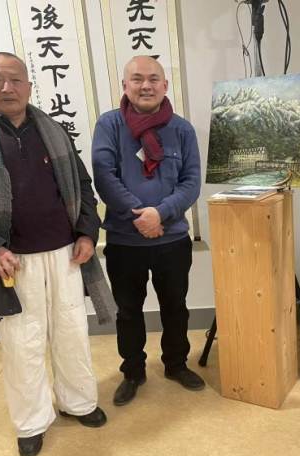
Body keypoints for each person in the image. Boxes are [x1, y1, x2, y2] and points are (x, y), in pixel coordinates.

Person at [0, 52, 115, 456]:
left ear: (29, 86)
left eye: (15, 80)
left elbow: (82, 186)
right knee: (22, 344)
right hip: (10, 261)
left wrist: (87, 232)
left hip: (66, 255)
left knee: (71, 333)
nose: (7, 88)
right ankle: (32, 422)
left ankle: (79, 402)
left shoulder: (52, 130)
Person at [92, 55, 204, 407]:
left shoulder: (182, 130)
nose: (146, 85)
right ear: (124, 85)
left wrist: (160, 213)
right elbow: (104, 176)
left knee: (176, 306)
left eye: (153, 79)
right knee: (128, 311)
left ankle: (176, 364)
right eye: (137, 79)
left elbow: (191, 182)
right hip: (125, 240)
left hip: (173, 239)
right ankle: (132, 371)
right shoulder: (109, 125)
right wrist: (139, 215)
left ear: (165, 85)